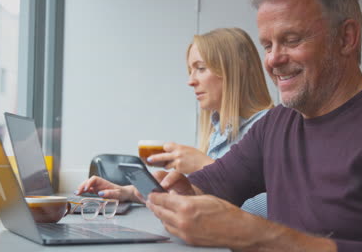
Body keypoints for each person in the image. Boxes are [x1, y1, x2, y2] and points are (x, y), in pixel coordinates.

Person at [144, 0, 362, 251]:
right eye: (268, 45)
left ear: (346, 38)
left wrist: (259, 236)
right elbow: (215, 182)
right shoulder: (277, 122)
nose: (273, 60)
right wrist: (182, 191)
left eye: (291, 40)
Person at [76, 27, 274, 217]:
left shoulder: (269, 126)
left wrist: (203, 165)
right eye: (190, 70)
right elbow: (199, 197)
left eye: (201, 68)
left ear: (235, 71)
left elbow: (273, 207)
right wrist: (127, 191)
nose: (191, 80)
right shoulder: (218, 132)